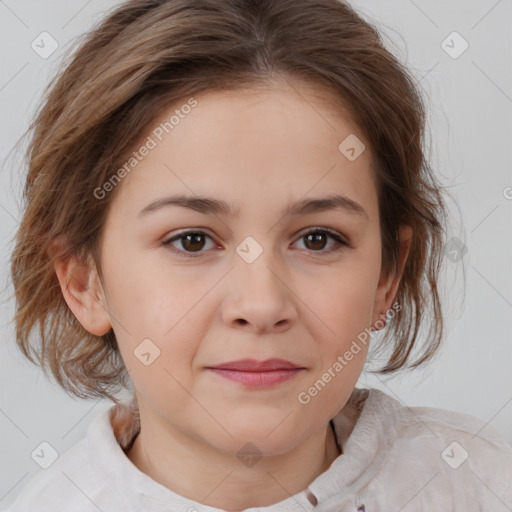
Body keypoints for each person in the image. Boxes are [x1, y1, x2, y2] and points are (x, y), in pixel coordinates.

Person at [5, 0, 511, 510]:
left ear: (387, 276)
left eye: (318, 239)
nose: (263, 304)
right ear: (84, 283)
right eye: (192, 240)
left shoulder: (477, 484)